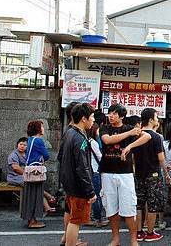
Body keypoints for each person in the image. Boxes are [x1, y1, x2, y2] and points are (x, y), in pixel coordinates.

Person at [100, 104, 151, 246]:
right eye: (110, 113)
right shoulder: (105, 128)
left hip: (125, 173)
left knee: (129, 209)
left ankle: (133, 240)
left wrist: (129, 146)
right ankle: (116, 239)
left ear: (121, 116)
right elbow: (107, 140)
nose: (111, 116)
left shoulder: (128, 128)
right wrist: (129, 134)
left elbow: (147, 136)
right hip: (107, 172)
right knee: (111, 209)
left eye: (115, 114)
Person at [60, 103, 97, 246]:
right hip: (78, 186)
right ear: (83, 118)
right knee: (75, 221)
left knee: (72, 216)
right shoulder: (80, 139)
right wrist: (90, 192)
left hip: (69, 183)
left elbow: (60, 156)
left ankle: (68, 240)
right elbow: (83, 167)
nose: (93, 120)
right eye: (92, 117)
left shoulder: (69, 132)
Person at [132, 108, 168, 242]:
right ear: (151, 120)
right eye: (156, 117)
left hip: (139, 174)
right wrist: (166, 172)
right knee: (153, 204)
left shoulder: (137, 135)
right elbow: (161, 158)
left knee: (139, 204)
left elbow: (134, 159)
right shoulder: (156, 137)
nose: (157, 120)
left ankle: (139, 232)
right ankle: (150, 232)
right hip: (153, 175)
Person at [7, 137, 55, 214]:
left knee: (36, 184)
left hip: (27, 176)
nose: (22, 146)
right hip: (15, 177)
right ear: (17, 145)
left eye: (25, 145)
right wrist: (29, 175)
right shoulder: (13, 155)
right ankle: (47, 197)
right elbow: (16, 168)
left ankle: (47, 207)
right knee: (32, 184)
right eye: (20, 144)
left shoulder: (28, 154)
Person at [21, 121, 49, 229]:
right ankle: (33, 221)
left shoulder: (30, 140)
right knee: (36, 194)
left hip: (29, 170)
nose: (43, 129)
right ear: (38, 129)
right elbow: (46, 155)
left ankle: (30, 219)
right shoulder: (38, 141)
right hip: (36, 171)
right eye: (42, 127)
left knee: (29, 195)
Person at [85, 122, 107, 227]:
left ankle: (89, 217)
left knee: (91, 195)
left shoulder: (85, 141)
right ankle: (98, 218)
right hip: (95, 171)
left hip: (88, 171)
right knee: (97, 196)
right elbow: (100, 157)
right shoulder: (93, 142)